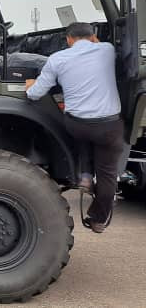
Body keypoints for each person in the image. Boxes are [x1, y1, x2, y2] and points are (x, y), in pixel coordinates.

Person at [25, 22, 124, 233]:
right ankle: (98, 220)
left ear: (68, 39)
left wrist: (29, 86)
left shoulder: (57, 59)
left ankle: (85, 176)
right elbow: (103, 47)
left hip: (77, 125)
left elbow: (34, 94)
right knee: (107, 174)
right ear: (93, 36)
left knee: (81, 131)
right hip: (108, 126)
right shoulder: (107, 50)